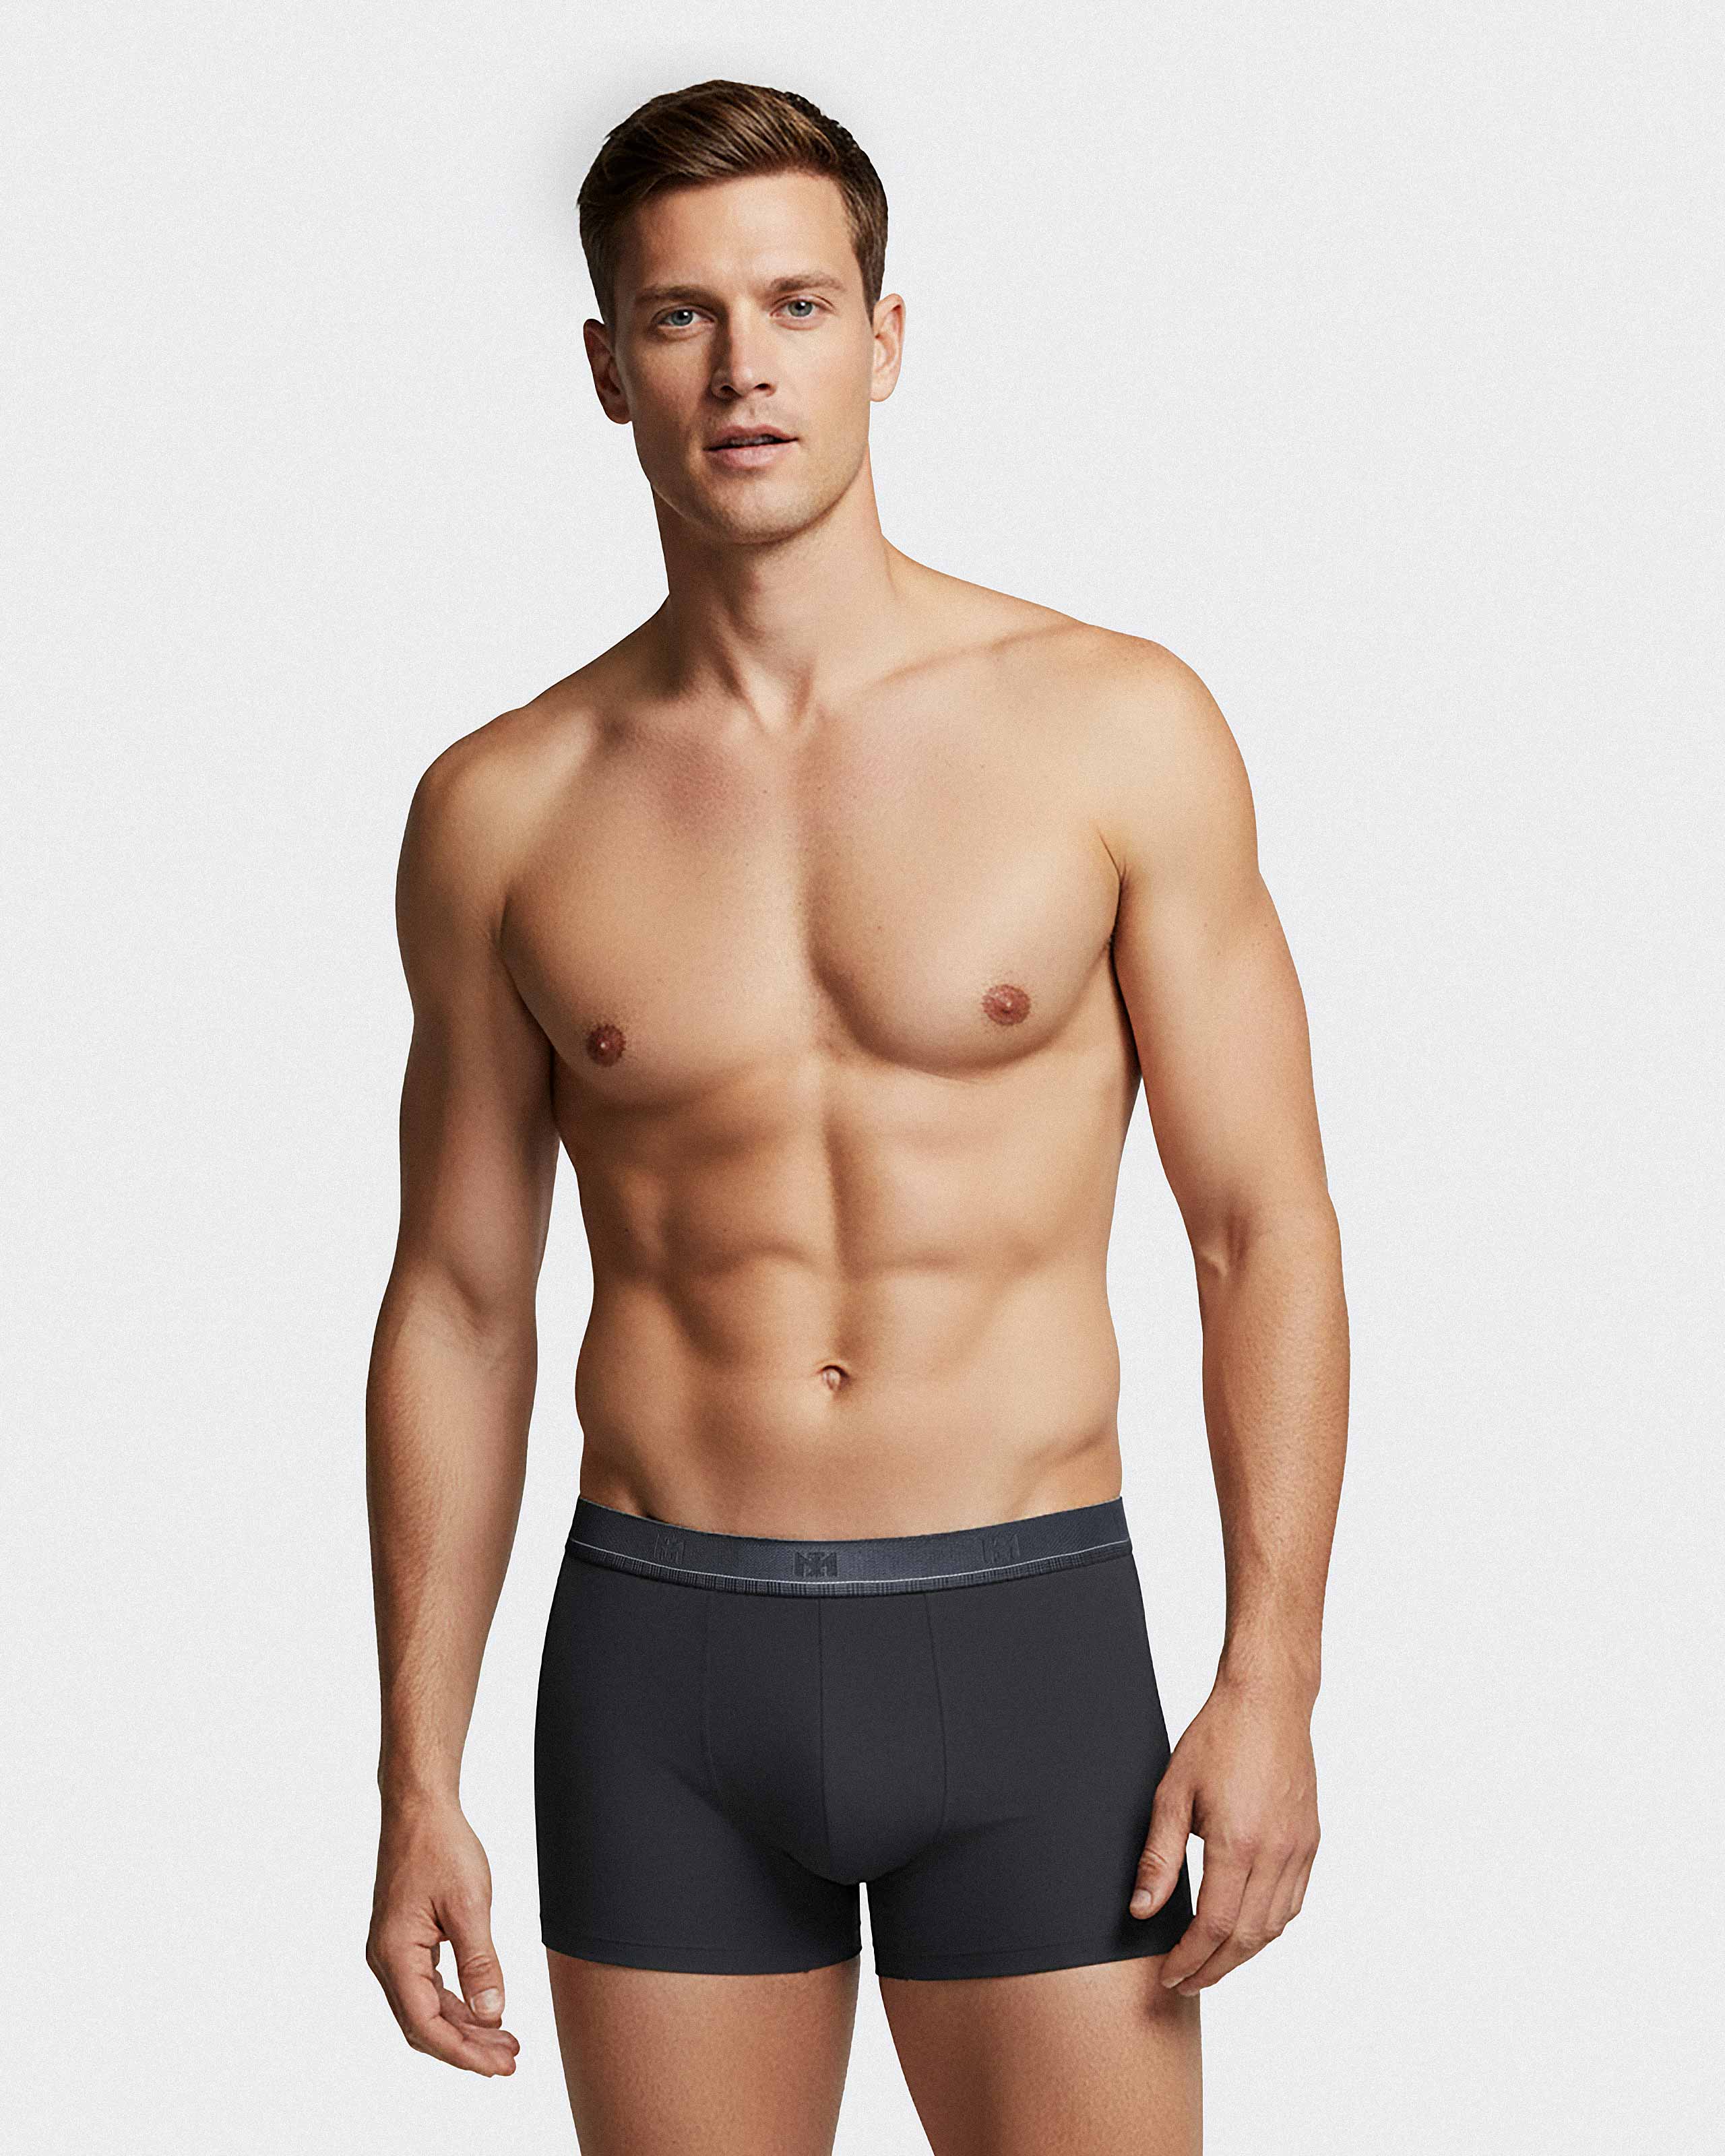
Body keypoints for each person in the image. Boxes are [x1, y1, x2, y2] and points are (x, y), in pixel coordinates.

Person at [363, 77, 1348, 2156]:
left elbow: (1260, 1228)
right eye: (683, 316)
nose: (745, 367)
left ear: (883, 340)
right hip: (662, 1670)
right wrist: (414, 1775)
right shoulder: (505, 808)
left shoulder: (1113, 729)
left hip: (1027, 1640)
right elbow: (458, 1301)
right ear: (608, 367)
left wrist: (1274, 1677)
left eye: (798, 306)